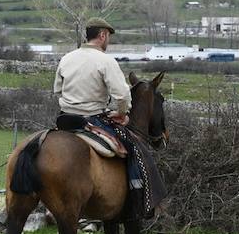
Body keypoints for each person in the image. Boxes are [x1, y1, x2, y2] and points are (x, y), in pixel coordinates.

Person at [53, 17, 163, 219]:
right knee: (134, 149)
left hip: (65, 118)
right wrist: (122, 114)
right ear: (102, 35)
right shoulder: (105, 61)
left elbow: (58, 90)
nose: (108, 41)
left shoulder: (67, 58)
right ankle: (137, 197)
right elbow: (123, 95)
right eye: (108, 37)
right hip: (92, 118)